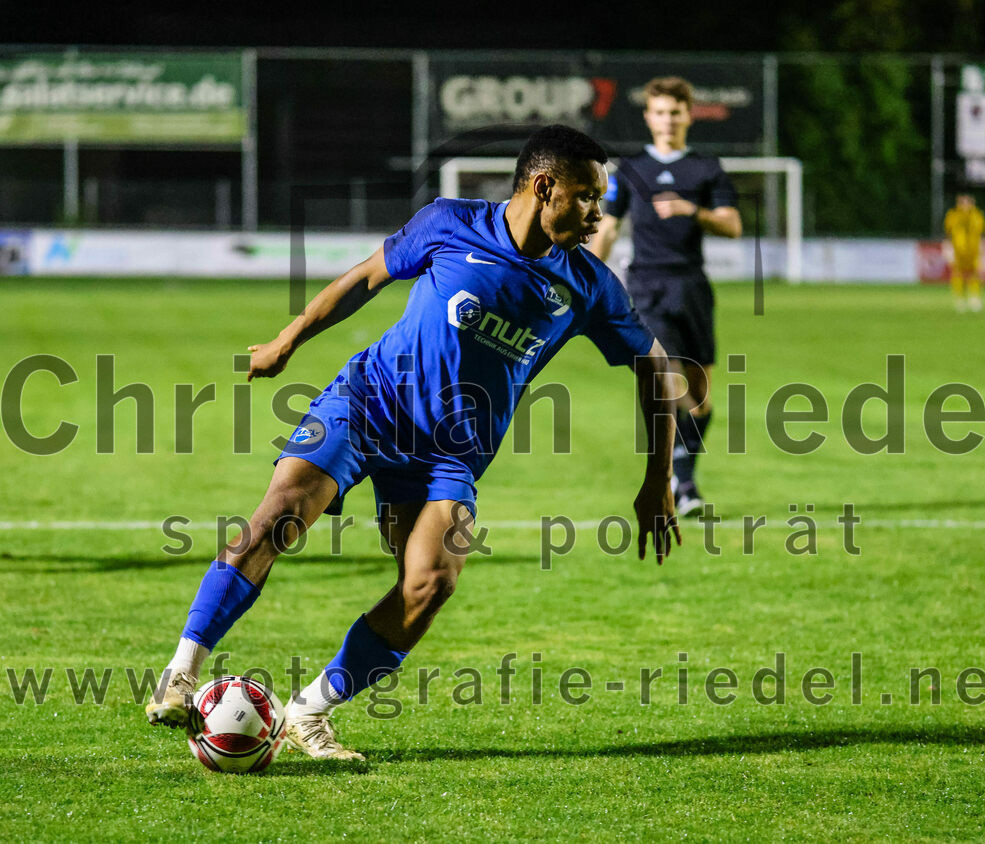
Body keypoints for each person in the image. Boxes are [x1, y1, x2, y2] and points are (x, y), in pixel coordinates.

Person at [146, 125, 681, 761]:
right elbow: (367, 277)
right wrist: (288, 338)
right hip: (369, 404)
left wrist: (657, 480)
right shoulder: (449, 222)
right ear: (546, 187)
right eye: (589, 196)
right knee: (279, 517)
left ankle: (308, 711)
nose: (599, 213)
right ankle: (182, 671)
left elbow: (658, 367)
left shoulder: (588, 284)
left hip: (450, 455)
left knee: (431, 581)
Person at [589, 76, 741, 517]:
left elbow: (733, 225)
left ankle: (684, 477)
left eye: (675, 112)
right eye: (659, 111)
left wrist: (691, 209)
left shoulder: (707, 169)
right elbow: (608, 227)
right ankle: (683, 479)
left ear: (688, 116)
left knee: (700, 396)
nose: (668, 120)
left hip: (691, 286)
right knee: (667, 378)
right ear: (648, 116)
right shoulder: (631, 170)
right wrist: (591, 279)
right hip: (646, 285)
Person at [943, 193, 985, 312]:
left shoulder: (978, 215)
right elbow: (947, 234)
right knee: (957, 274)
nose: (966, 205)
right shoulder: (952, 215)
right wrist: (947, 249)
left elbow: (983, 234)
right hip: (958, 250)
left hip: (974, 250)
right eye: (963, 202)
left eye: (968, 202)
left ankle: (974, 299)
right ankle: (960, 300)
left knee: (975, 273)